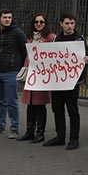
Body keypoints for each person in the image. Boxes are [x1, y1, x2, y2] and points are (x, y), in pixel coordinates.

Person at [43, 12, 88, 150]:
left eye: (72, 23)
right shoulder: (57, 39)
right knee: (57, 108)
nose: (69, 26)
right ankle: (60, 136)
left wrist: (87, 59)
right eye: (67, 23)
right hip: (57, 81)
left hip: (73, 82)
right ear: (61, 24)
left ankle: (74, 139)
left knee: (72, 110)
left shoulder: (80, 40)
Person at [0, 9, 27, 138]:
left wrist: (18, 67)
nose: (7, 20)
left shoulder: (18, 33)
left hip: (11, 72)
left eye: (9, 17)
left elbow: (24, 51)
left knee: (11, 101)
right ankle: (0, 125)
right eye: (5, 17)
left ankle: (14, 128)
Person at [17, 14, 56, 143]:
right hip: (30, 74)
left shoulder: (50, 37)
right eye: (36, 22)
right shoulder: (29, 38)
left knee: (40, 104)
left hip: (42, 75)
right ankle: (29, 131)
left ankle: (40, 133)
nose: (39, 24)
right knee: (30, 103)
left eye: (41, 22)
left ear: (45, 23)